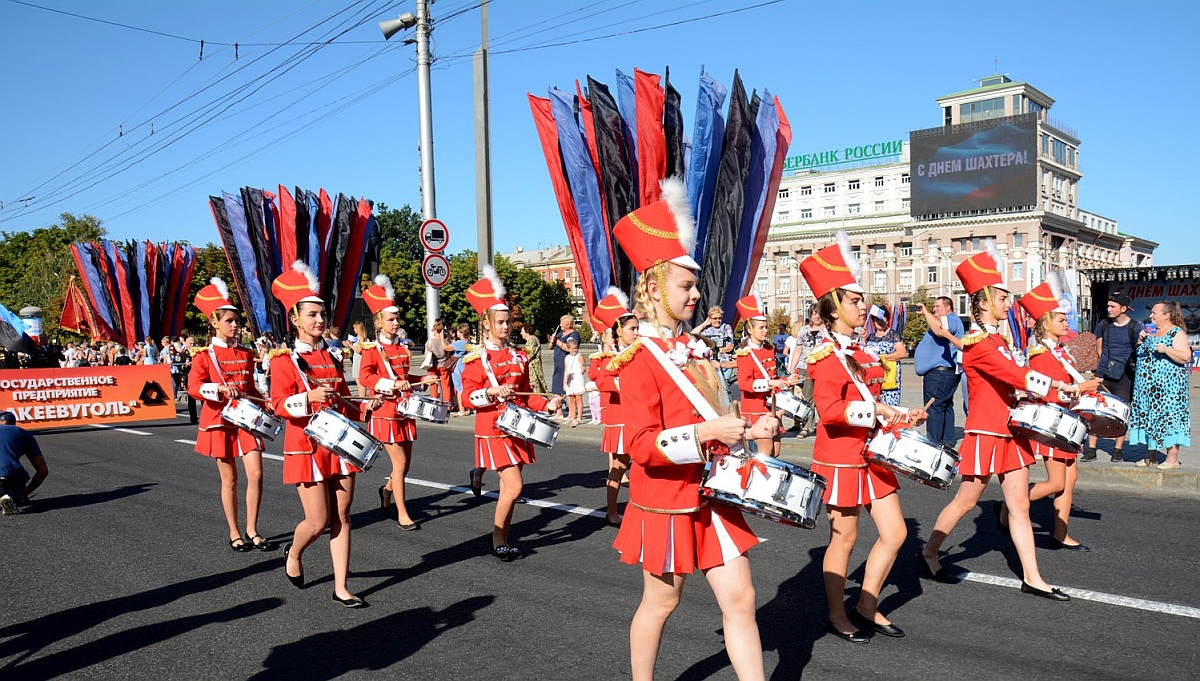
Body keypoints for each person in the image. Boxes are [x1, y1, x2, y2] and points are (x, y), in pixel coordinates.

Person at [609, 179, 778, 681]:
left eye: (695, 285)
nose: (697, 294)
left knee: (742, 598)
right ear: (656, 285)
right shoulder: (638, 360)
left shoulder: (699, 351)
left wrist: (749, 426)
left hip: (714, 493)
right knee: (663, 601)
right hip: (665, 498)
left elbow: (718, 415)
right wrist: (707, 433)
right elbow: (640, 445)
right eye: (687, 285)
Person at [919, 244, 1078, 602]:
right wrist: (1061, 386)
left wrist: (1042, 395)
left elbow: (1012, 383)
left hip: (1011, 433)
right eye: (1004, 298)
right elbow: (1015, 375)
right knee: (964, 500)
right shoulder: (979, 344)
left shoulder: (1000, 340)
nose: (1010, 304)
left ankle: (1033, 576)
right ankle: (929, 552)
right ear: (985, 300)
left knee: (1019, 506)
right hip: (986, 431)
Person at [800, 236, 926, 643]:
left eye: (861, 300)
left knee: (896, 534)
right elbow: (830, 412)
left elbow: (875, 402)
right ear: (834, 308)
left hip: (872, 454)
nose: (862, 307)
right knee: (845, 537)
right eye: (854, 301)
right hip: (839, 457)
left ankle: (866, 604)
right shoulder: (822, 355)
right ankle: (838, 615)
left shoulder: (864, 351)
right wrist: (878, 412)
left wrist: (904, 415)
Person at [270, 261, 378, 608]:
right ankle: (295, 551)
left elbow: (344, 398)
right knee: (317, 521)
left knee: (343, 515)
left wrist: (365, 408)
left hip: (339, 446)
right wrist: (306, 398)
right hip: (305, 447)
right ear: (295, 319)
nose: (319, 320)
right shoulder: (283, 360)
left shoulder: (332, 358)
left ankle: (341, 586)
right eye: (312, 314)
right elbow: (278, 405)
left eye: (322, 314)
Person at [462, 268, 561, 561]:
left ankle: (499, 526)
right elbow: (467, 398)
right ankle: (499, 537)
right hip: (492, 427)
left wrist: (548, 404)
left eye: (508, 322)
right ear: (487, 324)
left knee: (511, 487)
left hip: (518, 427)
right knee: (515, 486)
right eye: (501, 322)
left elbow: (527, 394)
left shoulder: (518, 355)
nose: (506, 327)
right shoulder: (476, 358)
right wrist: (491, 393)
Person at [1012, 282, 1103, 551]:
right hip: (1053, 424)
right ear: (1046, 323)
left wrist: (1085, 388)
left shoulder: (1059, 352)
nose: (1066, 323)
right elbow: (1044, 393)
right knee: (1056, 481)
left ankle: (1060, 532)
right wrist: (1078, 390)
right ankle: (1010, 506)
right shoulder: (1040, 355)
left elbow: (1066, 385)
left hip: (1067, 423)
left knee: (1070, 480)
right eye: (1061, 320)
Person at [188, 277, 271, 552]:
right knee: (230, 479)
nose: (235, 325)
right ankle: (235, 532)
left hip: (246, 419)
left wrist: (270, 403)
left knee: (257, 474)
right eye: (229, 321)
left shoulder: (247, 354)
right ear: (215, 322)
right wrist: (220, 389)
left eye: (237, 320)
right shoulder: (204, 355)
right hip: (220, 421)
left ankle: (253, 529)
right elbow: (194, 388)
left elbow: (250, 388)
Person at [357, 275, 428, 530]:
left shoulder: (402, 348)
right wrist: (391, 385)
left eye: (397, 319)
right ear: (378, 323)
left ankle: (386, 491)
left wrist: (423, 378)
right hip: (385, 411)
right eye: (390, 319)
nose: (395, 323)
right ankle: (402, 513)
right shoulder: (371, 349)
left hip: (405, 409)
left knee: (405, 465)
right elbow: (366, 377)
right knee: (398, 464)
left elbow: (405, 377)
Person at [589, 289, 636, 524]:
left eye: (637, 328)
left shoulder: (640, 353)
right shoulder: (605, 359)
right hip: (620, 418)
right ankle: (612, 510)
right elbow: (602, 381)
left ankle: (642, 509)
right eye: (633, 329)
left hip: (642, 418)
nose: (637, 333)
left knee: (645, 467)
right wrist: (625, 384)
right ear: (619, 332)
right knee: (619, 467)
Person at [1129, 301, 1192, 469]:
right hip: (1146, 389)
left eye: (1155, 312)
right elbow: (1140, 352)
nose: (1151, 315)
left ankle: (1172, 459)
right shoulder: (1150, 331)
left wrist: (1166, 350)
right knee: (1149, 418)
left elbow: (1186, 357)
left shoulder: (1176, 333)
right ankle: (1150, 456)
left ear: (1167, 315)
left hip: (1168, 390)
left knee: (1169, 419)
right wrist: (1140, 341)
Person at [735, 293, 799, 458]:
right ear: (750, 329)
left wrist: (787, 380)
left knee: (776, 452)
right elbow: (744, 384)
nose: (765, 330)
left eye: (766, 327)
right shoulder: (745, 353)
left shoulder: (769, 349)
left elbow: (774, 376)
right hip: (756, 409)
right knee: (764, 456)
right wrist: (771, 383)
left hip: (771, 408)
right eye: (761, 328)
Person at [1085, 293, 1144, 462]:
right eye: (1108, 306)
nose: (1108, 309)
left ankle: (1117, 450)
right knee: (1095, 410)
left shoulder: (1135, 327)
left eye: (1113, 307)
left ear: (1123, 308)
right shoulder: (1103, 325)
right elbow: (1099, 350)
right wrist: (1100, 372)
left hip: (1125, 376)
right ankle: (1091, 449)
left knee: (1122, 412)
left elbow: (1139, 349)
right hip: (1103, 373)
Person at [914, 296, 965, 446]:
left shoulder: (951, 320)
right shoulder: (947, 319)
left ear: (948, 307)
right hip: (942, 372)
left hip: (940, 373)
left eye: (938, 307)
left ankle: (934, 443)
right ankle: (947, 441)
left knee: (934, 408)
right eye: (933, 307)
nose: (934, 309)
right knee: (945, 406)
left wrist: (926, 312)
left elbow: (940, 330)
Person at [0, 411, 48, 515]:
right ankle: (13, 496)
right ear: (14, 423)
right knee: (21, 475)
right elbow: (43, 471)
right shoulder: (23, 433)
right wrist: (24, 493)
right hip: (4, 479)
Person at [788, 305, 825, 438]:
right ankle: (806, 427)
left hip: (823, 367)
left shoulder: (828, 330)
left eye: (819, 313)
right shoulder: (803, 331)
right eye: (814, 313)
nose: (816, 316)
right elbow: (798, 350)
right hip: (806, 367)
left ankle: (824, 425)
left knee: (823, 397)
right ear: (810, 315)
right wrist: (792, 368)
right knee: (807, 397)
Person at [864, 306, 907, 407]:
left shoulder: (893, 334)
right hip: (874, 377)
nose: (879, 321)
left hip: (889, 375)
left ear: (887, 320)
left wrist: (882, 358)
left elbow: (902, 353)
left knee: (890, 405)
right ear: (873, 321)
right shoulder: (871, 337)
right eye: (877, 319)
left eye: (882, 318)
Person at [694, 305, 737, 404]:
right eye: (715, 318)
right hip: (711, 364)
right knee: (715, 389)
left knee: (723, 387)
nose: (717, 320)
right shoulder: (707, 331)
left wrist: (717, 350)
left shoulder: (726, 328)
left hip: (724, 363)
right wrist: (705, 324)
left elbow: (730, 346)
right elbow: (693, 334)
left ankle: (725, 410)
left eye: (719, 318)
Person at [550, 314, 581, 407]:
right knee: (556, 387)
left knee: (567, 387)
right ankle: (558, 411)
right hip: (558, 364)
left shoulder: (574, 334)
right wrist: (552, 341)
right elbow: (551, 347)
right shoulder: (559, 334)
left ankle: (570, 407)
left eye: (562, 323)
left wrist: (557, 341)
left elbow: (569, 348)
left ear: (568, 324)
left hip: (567, 364)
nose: (560, 325)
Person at [424, 320, 454, 404]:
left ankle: (434, 402)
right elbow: (449, 353)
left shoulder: (430, 342)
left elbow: (426, 355)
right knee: (445, 386)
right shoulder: (446, 341)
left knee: (433, 384)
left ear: (435, 330)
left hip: (433, 366)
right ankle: (447, 404)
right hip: (444, 365)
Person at [521, 323, 548, 396]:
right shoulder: (532, 340)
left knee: (535, 388)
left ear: (527, 331)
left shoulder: (532, 340)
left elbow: (527, 355)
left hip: (533, 369)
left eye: (522, 331)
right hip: (533, 368)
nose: (521, 333)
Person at [563, 339, 585, 426]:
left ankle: (579, 417)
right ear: (569, 349)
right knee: (570, 398)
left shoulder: (579, 356)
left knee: (578, 398)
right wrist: (564, 381)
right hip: (569, 379)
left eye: (576, 348)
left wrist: (578, 374)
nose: (575, 350)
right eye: (573, 349)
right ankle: (572, 415)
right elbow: (566, 369)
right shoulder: (567, 358)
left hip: (576, 378)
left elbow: (583, 367)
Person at [450, 323, 471, 415]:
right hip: (466, 366)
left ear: (460, 332)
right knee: (467, 387)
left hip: (458, 367)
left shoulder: (459, 343)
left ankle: (461, 410)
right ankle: (468, 408)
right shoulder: (468, 343)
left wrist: (443, 338)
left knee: (459, 389)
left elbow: (446, 348)